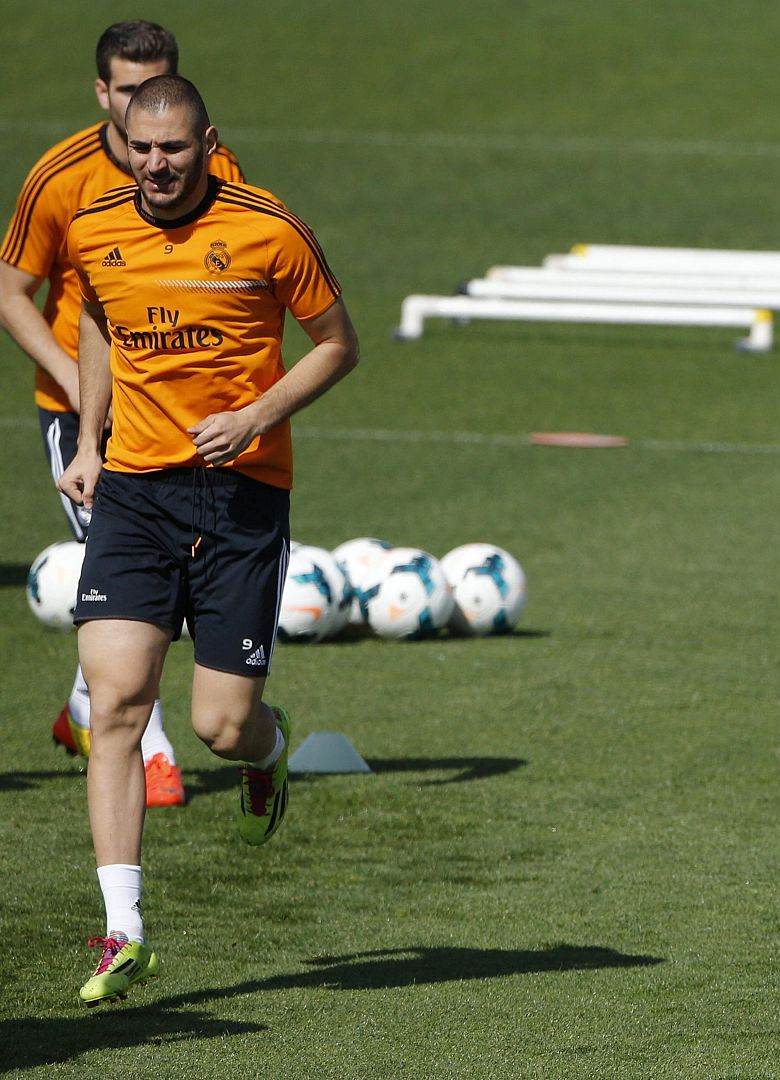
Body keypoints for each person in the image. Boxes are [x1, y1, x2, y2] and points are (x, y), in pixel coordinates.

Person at [57, 74, 358, 1006]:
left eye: (174, 149)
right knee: (114, 701)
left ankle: (267, 758)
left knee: (218, 726)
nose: (155, 165)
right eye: (141, 149)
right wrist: (92, 442)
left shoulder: (270, 228)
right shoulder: (97, 225)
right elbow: (100, 320)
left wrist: (258, 415)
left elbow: (338, 342)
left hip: (240, 498)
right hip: (137, 495)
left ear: (206, 142)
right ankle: (125, 930)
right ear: (124, 142)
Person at [0, 19, 246, 808]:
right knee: (133, 572)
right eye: (130, 92)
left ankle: (87, 709)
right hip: (84, 408)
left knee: (150, 582)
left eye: (159, 87)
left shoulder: (212, 165)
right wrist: (80, 386)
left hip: (180, 417)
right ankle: (151, 746)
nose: (147, 112)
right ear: (102, 93)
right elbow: (12, 295)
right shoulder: (60, 176)